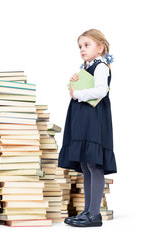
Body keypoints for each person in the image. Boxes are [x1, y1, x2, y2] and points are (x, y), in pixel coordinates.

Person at [58, 29, 117, 227]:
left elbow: (102, 90)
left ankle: (94, 214)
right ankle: (87, 211)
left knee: (93, 164)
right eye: (80, 46)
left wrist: (78, 93)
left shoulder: (101, 67)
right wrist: (76, 82)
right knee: (85, 164)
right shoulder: (88, 67)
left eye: (87, 45)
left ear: (100, 47)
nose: (82, 49)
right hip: (84, 120)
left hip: (94, 121)